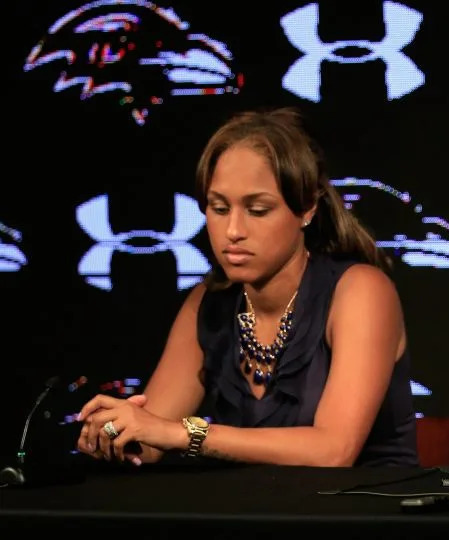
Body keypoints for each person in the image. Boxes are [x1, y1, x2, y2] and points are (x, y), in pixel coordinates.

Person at [75, 107, 419, 467]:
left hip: (361, 513)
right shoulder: (208, 303)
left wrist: (182, 433)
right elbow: (152, 439)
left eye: (257, 210)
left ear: (307, 208)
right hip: (254, 515)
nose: (234, 231)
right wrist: (116, 433)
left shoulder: (361, 291)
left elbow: (334, 451)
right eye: (219, 208)